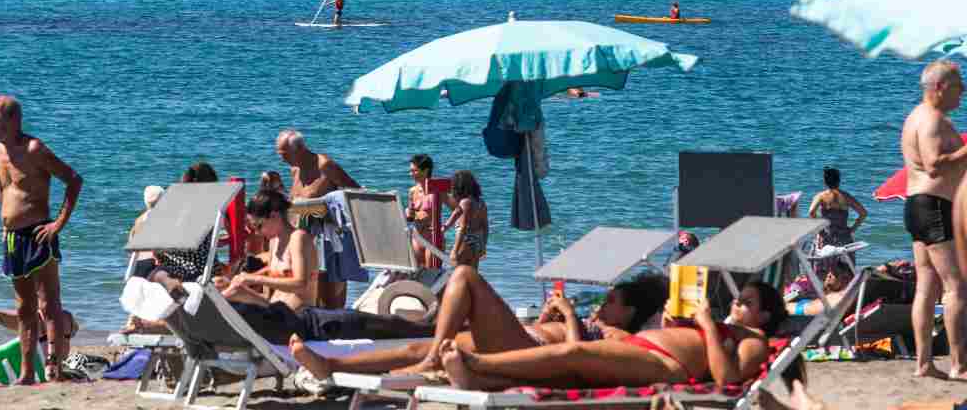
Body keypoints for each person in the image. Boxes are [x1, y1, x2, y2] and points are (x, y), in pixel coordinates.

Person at [290, 269, 668, 379]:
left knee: (466, 276)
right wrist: (546, 318)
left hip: (530, 354)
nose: (604, 303)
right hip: (521, 341)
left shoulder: (619, 336)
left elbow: (575, 356)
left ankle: (434, 355)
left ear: (631, 314)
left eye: (613, 300)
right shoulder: (601, 320)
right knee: (413, 348)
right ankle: (330, 365)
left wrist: (569, 317)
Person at [431, 281, 785, 391]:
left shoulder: (754, 339)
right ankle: (478, 376)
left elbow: (726, 379)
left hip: (665, 365)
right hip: (641, 347)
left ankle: (477, 362)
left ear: (765, 316)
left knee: (573, 355)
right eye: (738, 298)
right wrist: (673, 324)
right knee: (569, 368)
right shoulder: (727, 328)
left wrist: (707, 325)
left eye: (746, 301)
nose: (736, 302)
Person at [0, 95, 84, 384]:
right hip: (13, 237)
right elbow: (3, 190)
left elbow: (74, 179)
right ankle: (28, 372)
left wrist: (59, 223)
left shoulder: (34, 148)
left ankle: (55, 369)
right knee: (23, 308)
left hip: (39, 232)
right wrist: (4, 226)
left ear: (15, 120)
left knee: (49, 304)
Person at [901, 60, 967, 379]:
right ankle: (959, 365)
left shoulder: (916, 116)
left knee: (926, 285)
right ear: (939, 87)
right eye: (958, 86)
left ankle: (924, 363)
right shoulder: (932, 120)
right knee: (957, 287)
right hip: (933, 206)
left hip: (918, 205)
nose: (963, 93)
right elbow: (934, 164)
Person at [276, 129, 362, 309]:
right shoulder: (295, 171)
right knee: (307, 298)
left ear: (299, 149)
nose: (281, 158)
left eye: (284, 154)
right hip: (303, 242)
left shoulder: (325, 166)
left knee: (330, 300)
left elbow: (356, 193)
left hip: (329, 241)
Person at [217, 190, 319, 310]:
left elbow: (301, 284)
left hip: (297, 316)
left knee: (235, 293)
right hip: (274, 309)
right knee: (219, 283)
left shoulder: (298, 237)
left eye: (258, 226)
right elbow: (270, 282)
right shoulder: (274, 241)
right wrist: (239, 279)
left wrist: (254, 279)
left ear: (274, 216)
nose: (257, 232)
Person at [149, 162, 218, 290]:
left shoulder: (177, 208)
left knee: (155, 273)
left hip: (182, 268)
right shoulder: (211, 208)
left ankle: (167, 281)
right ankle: (168, 281)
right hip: (205, 268)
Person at [806, 166, 867, 276]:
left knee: (822, 270)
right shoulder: (846, 196)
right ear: (838, 181)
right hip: (843, 236)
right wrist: (852, 229)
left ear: (825, 181)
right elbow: (863, 213)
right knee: (846, 269)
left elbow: (811, 212)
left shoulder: (821, 196)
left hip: (826, 236)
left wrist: (819, 229)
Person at [406, 155, 454, 268]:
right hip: (417, 238)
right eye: (410, 171)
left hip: (433, 238)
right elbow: (411, 218)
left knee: (432, 274)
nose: (411, 174)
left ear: (426, 170)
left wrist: (445, 227)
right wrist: (408, 213)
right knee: (417, 276)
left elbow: (457, 209)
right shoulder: (412, 191)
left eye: (414, 171)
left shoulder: (437, 190)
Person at [443, 170, 489, 268]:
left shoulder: (465, 202)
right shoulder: (481, 202)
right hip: (477, 242)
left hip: (466, 242)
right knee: (471, 274)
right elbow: (485, 225)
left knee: (457, 273)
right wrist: (483, 246)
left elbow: (463, 227)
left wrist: (454, 250)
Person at [785, 266, 857, 317]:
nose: (829, 275)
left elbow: (806, 308)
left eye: (835, 273)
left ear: (845, 280)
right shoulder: (822, 294)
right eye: (829, 272)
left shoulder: (836, 299)